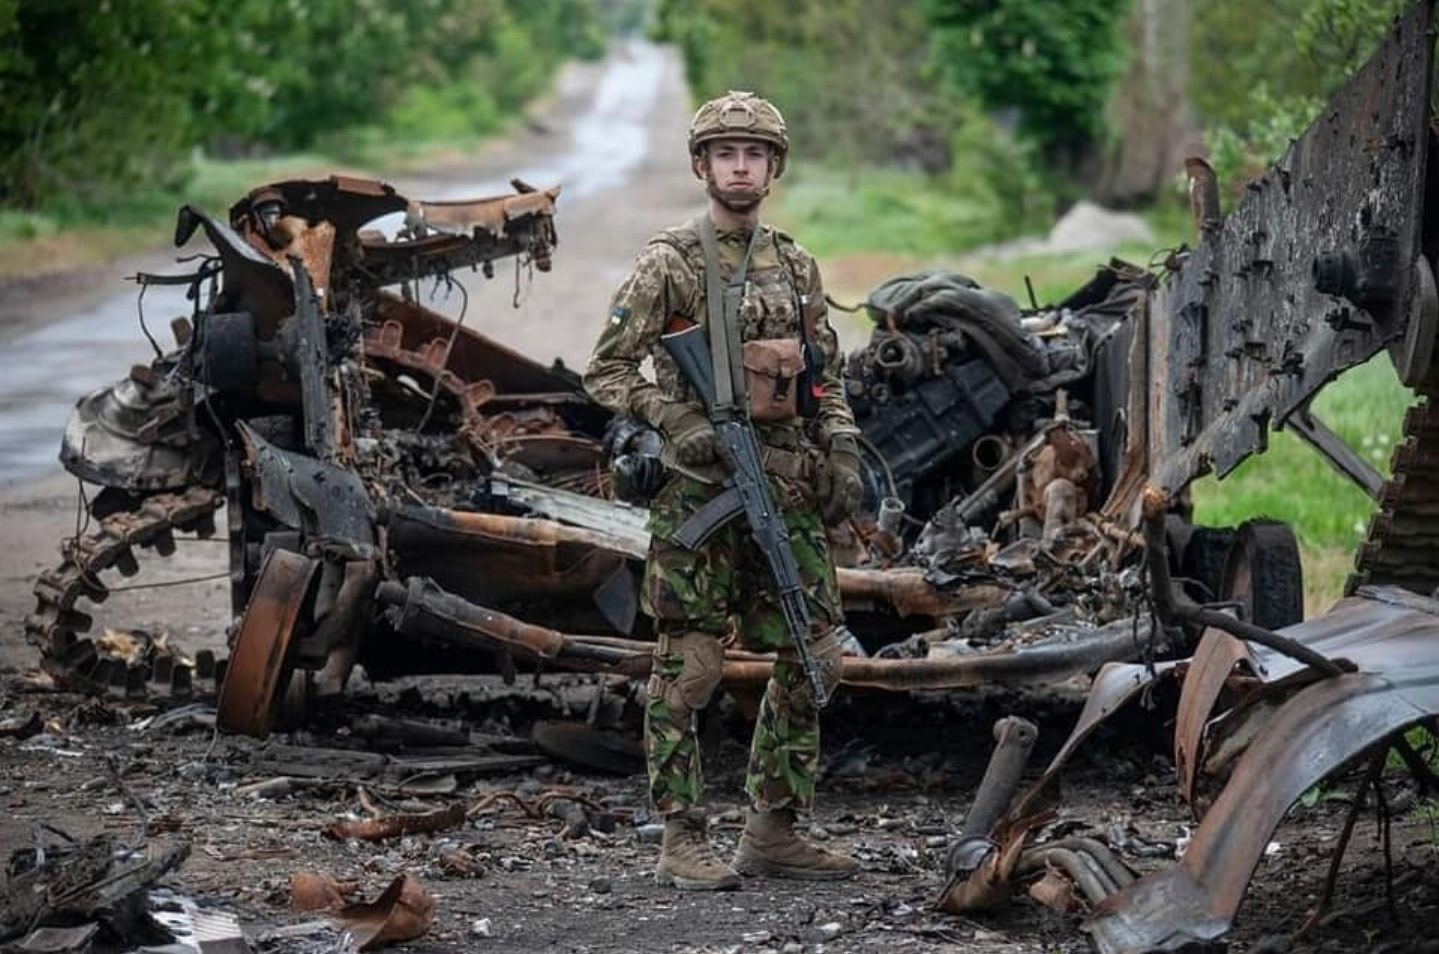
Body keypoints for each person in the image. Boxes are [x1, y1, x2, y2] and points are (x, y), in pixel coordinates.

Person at [584, 91, 864, 890]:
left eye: (753, 154)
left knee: (815, 659)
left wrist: (840, 447)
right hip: (700, 492)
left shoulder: (797, 264)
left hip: (788, 486)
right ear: (702, 166)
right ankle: (680, 836)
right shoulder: (668, 260)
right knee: (690, 666)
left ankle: (773, 827)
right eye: (724, 154)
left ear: (772, 168)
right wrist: (673, 415)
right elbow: (605, 369)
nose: (739, 167)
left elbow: (825, 376)